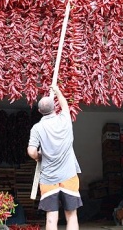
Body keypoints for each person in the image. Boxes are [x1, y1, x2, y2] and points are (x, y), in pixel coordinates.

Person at [27, 85, 82, 230]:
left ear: (39, 111)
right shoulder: (65, 119)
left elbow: (31, 151)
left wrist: (39, 156)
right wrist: (57, 91)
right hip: (69, 175)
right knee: (71, 215)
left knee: (51, 217)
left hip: (48, 179)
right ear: (54, 108)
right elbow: (64, 105)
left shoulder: (37, 128)